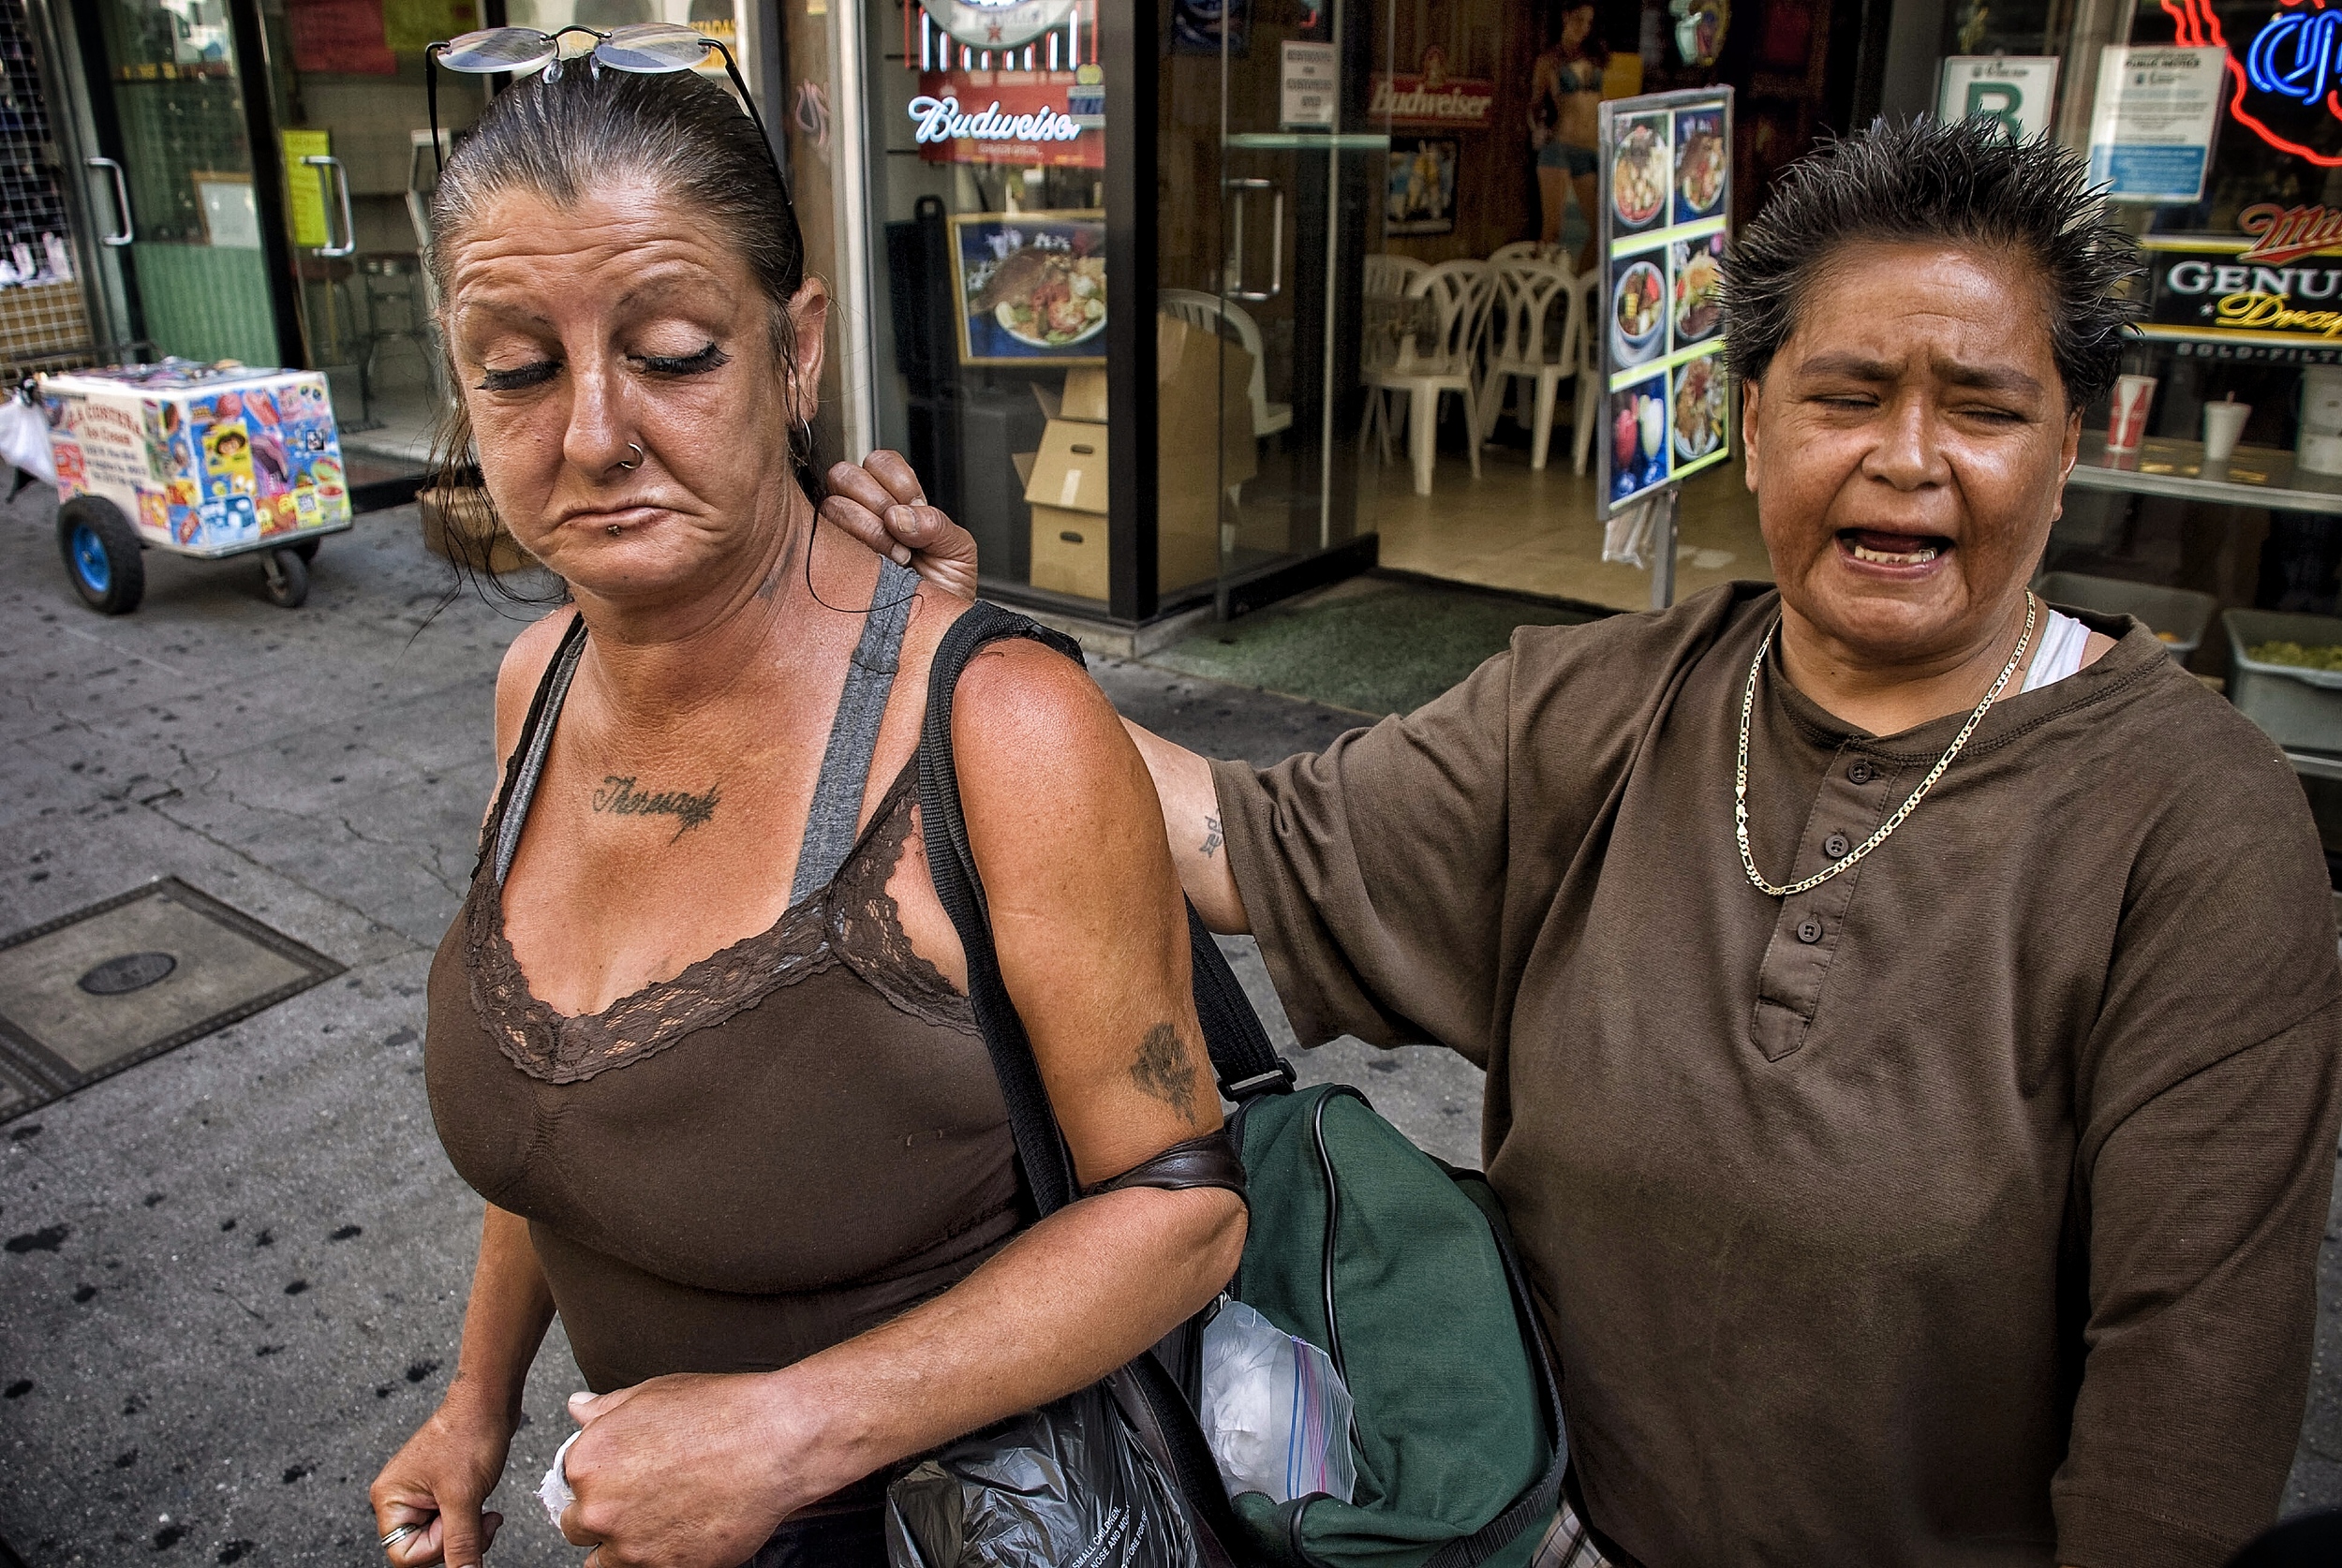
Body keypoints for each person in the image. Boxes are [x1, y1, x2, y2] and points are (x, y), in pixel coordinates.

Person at [833, 119, 2342, 1567]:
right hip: (1534, 1530)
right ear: (1750, 423)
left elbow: (2187, 1401)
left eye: (1987, 407)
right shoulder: (1607, 699)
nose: (1908, 456)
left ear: (2070, 444)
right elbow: (1244, 839)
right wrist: (962, 657)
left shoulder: (2196, 827)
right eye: (1847, 392)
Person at [368, 60, 1245, 1568]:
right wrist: (475, 1401)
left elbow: (1184, 1211)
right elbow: (565, 1123)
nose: (591, 434)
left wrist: (788, 1433)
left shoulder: (998, 730)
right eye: (514, 368)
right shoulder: (537, 687)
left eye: (674, 352)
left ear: (798, 351)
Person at [1529, 3, 1606, 271]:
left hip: (1590, 147)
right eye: (1579, 20)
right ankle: (1536, 290)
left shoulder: (1595, 57)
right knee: (1552, 227)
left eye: (1588, 22)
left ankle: (1575, 289)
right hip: (1560, 144)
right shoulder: (1549, 60)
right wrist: (1537, 129)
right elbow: (1535, 104)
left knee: (1598, 230)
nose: (1583, 27)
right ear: (1565, 17)